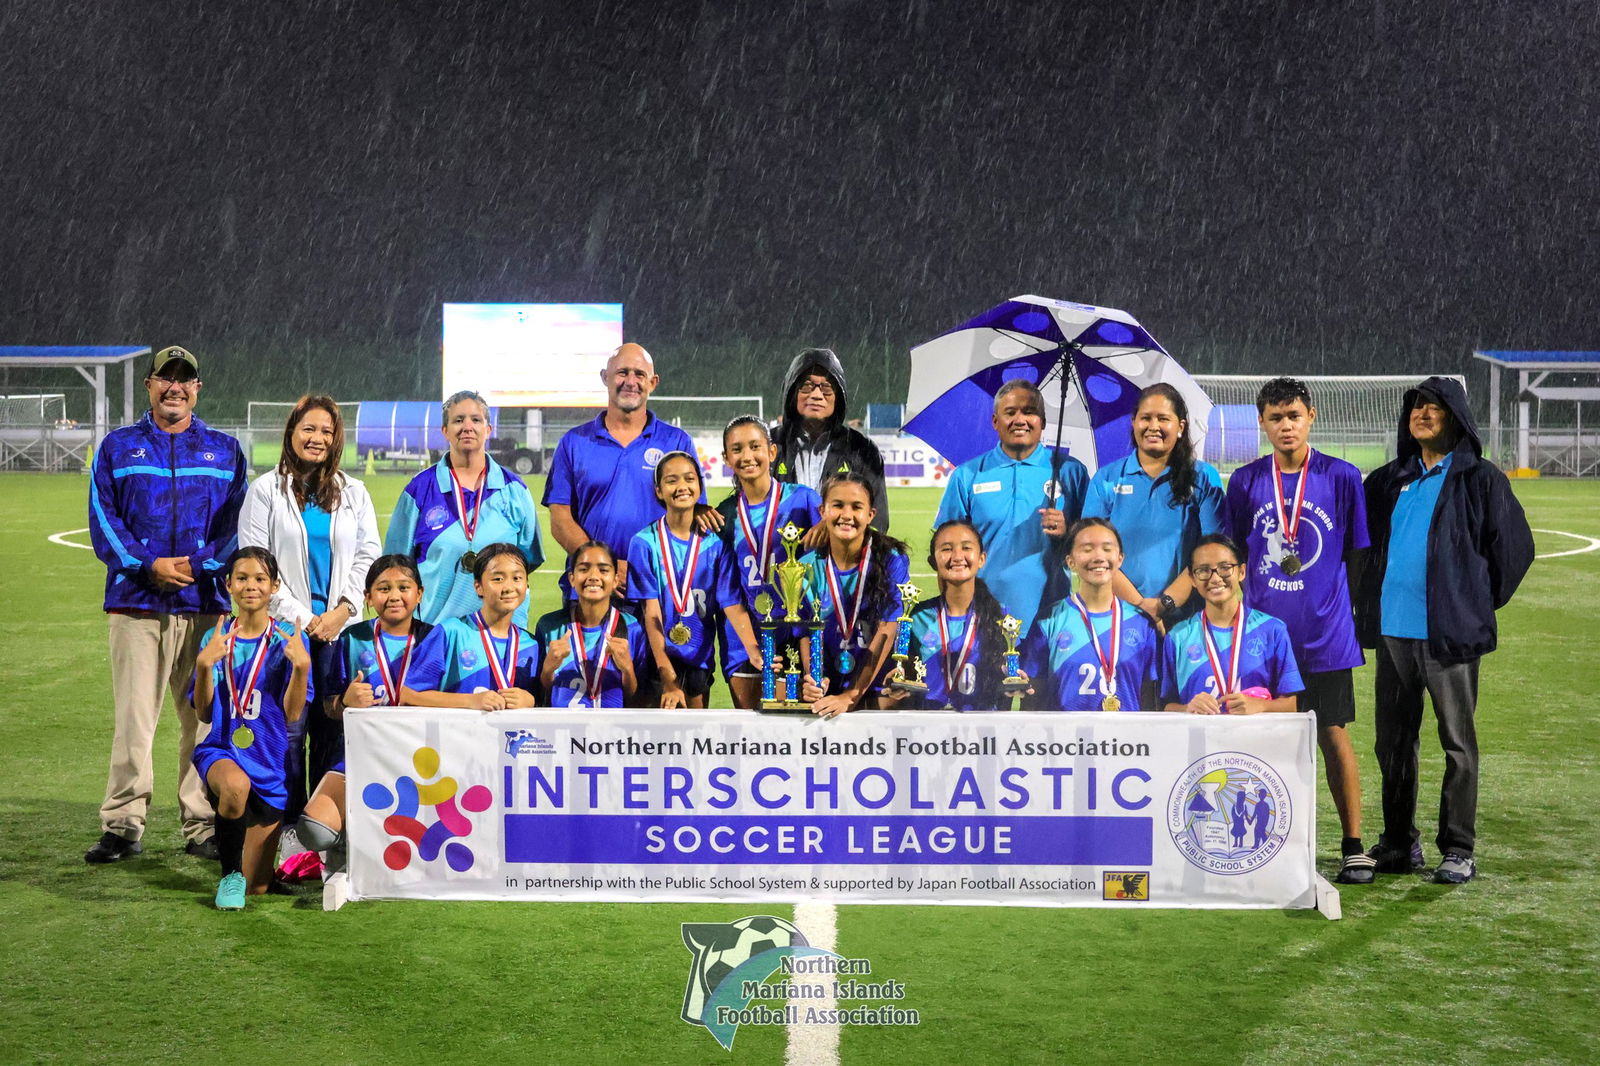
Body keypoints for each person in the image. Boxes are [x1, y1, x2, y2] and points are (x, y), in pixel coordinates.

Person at [1354, 377, 1534, 884]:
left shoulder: (1480, 479)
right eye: (1416, 407)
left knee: (1456, 744)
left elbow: (1515, 550)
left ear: (1455, 417)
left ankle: (1458, 848)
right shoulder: (1389, 479)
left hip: (1448, 637)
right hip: (1393, 634)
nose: (1423, 414)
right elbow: (1364, 549)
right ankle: (1396, 845)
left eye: (1434, 407)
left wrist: (1470, 603)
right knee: (1392, 743)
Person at [85, 345, 247, 864]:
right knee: (134, 720)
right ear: (150, 386)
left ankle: (200, 824)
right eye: (165, 379)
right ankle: (124, 823)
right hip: (135, 602)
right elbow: (104, 520)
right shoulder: (117, 446)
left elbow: (235, 527)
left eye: (185, 380)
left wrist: (197, 566)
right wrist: (147, 564)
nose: (175, 387)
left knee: (202, 718)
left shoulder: (225, 449)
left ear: (197, 389)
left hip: (204, 603)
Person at [1226, 377, 1375, 883]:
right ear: (1262, 422)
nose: (1285, 426)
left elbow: (1357, 553)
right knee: (1266, 739)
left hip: (1327, 636)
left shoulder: (1342, 476)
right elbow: (1236, 556)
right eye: (1275, 417)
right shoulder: (1245, 481)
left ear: (1311, 416)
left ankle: (1353, 842)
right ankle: (1269, 847)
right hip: (1265, 640)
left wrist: (1335, 609)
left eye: (1293, 416)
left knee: (1333, 735)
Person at [237, 395, 380, 819]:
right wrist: (305, 618)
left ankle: (323, 828)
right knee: (287, 732)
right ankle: (283, 829)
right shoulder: (265, 490)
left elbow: (369, 555)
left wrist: (342, 610)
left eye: (327, 431)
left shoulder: (354, 491)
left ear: (336, 440)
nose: (317, 438)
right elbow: (254, 563)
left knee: (333, 728)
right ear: (292, 432)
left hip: (339, 632)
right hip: (284, 634)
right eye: (309, 429)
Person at [298, 554, 434, 893]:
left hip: (421, 759)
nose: (394, 596)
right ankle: (346, 850)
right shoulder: (350, 639)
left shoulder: (436, 638)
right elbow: (328, 707)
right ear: (367, 596)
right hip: (361, 756)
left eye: (404, 587)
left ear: (419, 592)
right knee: (314, 829)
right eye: (383, 588)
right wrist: (345, 701)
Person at [190, 548, 312, 909]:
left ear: (275, 586)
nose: (250, 586)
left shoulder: (289, 640)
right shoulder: (216, 639)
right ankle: (229, 877)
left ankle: (251, 873)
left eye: (260, 578)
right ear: (229, 585)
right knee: (234, 786)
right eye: (241, 578)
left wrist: (302, 669)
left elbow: (292, 716)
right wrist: (202, 666)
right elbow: (204, 713)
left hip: (268, 763)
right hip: (223, 752)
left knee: (259, 887)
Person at [934, 379, 1088, 637]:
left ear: (1043, 422)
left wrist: (1068, 531)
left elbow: (1092, 546)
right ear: (995, 421)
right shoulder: (968, 475)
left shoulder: (1071, 472)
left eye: (1029, 412)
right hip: (981, 618)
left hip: (1050, 620)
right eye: (1010, 412)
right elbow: (944, 553)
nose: (1020, 420)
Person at [542, 343, 702, 589]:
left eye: (639, 374)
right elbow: (560, 519)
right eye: (622, 372)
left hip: (658, 585)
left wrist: (647, 567)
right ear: (605, 377)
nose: (630, 381)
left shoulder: (677, 442)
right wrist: (604, 567)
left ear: (653, 382)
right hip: (592, 588)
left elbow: (692, 514)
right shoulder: (574, 442)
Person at [384, 390, 544, 626]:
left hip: (502, 635)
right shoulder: (419, 490)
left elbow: (528, 558)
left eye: (476, 420)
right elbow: (396, 565)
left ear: (488, 430)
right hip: (435, 633)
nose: (467, 426)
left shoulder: (514, 491)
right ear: (445, 431)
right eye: (458, 420)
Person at [1082, 383, 1227, 628]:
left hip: (1187, 622)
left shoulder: (1202, 478)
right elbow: (1093, 553)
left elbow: (1212, 554)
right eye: (1145, 418)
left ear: (1181, 427)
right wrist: (1140, 606)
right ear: (1133, 422)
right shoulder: (1106, 479)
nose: (1153, 426)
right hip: (1117, 618)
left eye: (1163, 419)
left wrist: (1163, 605)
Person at [627, 452, 760, 708]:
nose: (682, 487)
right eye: (671, 480)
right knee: (653, 743)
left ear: (700, 486)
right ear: (658, 490)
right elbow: (651, 613)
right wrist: (668, 679)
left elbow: (731, 604)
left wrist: (753, 649)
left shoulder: (716, 545)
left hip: (698, 656)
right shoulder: (643, 543)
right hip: (656, 658)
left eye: (689, 479)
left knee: (695, 739)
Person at [713, 416, 822, 708]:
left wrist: (828, 527)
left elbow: (831, 558)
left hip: (798, 634)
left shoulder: (804, 500)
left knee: (796, 737)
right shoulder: (724, 515)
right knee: (751, 738)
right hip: (744, 639)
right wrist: (752, 648)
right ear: (726, 458)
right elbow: (728, 592)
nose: (747, 456)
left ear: (771, 452)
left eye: (755, 446)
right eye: (737, 449)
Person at [799, 472, 911, 717]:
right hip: (829, 689)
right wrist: (815, 679)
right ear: (823, 511)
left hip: (876, 689)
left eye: (856, 507)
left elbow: (887, 630)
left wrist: (852, 695)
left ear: (870, 514)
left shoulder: (891, 560)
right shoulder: (806, 567)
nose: (846, 515)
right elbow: (806, 633)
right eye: (837, 505)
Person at [1024, 518, 1160, 712]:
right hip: (1066, 741)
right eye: (1087, 549)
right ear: (1070, 561)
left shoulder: (1141, 623)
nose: (1098, 557)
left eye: (1107, 549)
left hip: (1127, 741)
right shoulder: (1050, 620)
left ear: (1120, 558)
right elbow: (1033, 696)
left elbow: (1150, 699)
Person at [1161, 536, 1303, 715]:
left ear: (1241, 572)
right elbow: (1166, 707)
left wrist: (1261, 706)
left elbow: (1290, 705)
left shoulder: (1273, 630)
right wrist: (1187, 708)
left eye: (1225, 568)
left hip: (1255, 740)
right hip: (1199, 741)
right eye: (1204, 570)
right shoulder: (1178, 637)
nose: (1215, 578)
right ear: (1192, 578)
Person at [401, 544, 541, 710]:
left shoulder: (530, 644)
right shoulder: (451, 632)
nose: (509, 587)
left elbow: (543, 704)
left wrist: (531, 700)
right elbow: (408, 695)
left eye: (517, 578)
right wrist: (471, 701)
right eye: (498, 579)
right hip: (457, 735)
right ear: (478, 587)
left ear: (527, 585)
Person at [891, 520, 1009, 711]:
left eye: (966, 547)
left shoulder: (1002, 618)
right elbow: (905, 677)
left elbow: (1007, 684)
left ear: (981, 559)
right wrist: (897, 683)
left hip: (983, 734)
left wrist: (1014, 682)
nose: (957, 556)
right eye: (946, 549)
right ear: (933, 562)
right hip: (928, 734)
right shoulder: (916, 618)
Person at [770, 347, 889, 531]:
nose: (816, 395)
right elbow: (749, 509)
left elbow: (877, 523)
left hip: (841, 558)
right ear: (792, 393)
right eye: (807, 386)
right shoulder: (768, 445)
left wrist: (833, 534)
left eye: (826, 388)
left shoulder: (862, 450)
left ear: (839, 396)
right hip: (777, 556)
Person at [537, 543, 646, 707]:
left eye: (603, 570)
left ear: (616, 579)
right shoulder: (549, 626)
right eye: (584, 569)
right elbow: (540, 694)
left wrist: (627, 669)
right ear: (571, 578)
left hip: (613, 730)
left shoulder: (632, 628)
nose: (593, 576)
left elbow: (636, 699)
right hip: (562, 730)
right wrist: (548, 669)